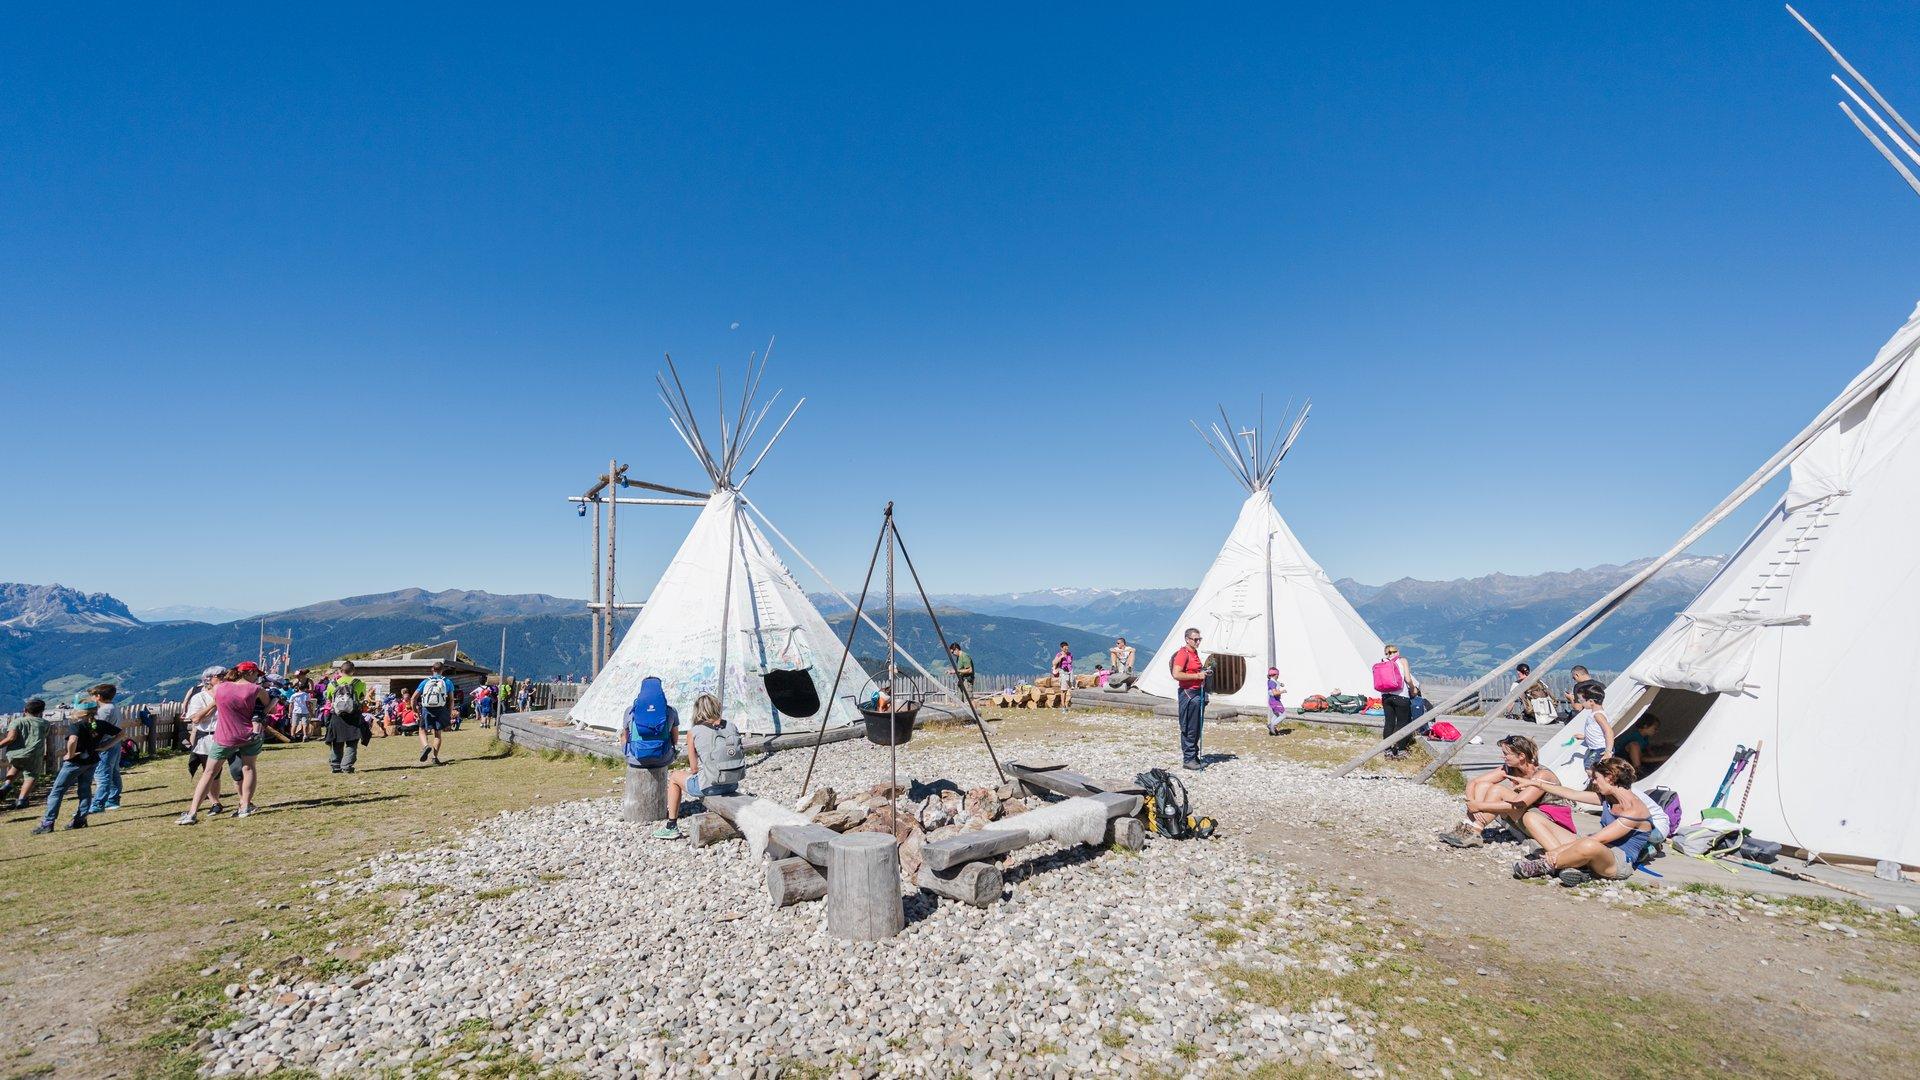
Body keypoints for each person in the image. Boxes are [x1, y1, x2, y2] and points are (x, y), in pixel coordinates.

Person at [1511, 756, 1655, 885]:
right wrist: (1537, 784)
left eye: (1596, 778)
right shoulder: (1609, 799)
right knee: (1531, 817)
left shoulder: (1635, 811)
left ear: (1610, 778)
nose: (1593, 782)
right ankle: (1570, 865)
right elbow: (1572, 794)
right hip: (1594, 846)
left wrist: (1557, 851)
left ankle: (1546, 865)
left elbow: (1600, 839)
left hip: (1617, 861)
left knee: (1589, 843)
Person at [178, 662, 270, 823]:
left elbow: (214, 701)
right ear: (250, 673)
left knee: (209, 773)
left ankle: (192, 813)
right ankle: (245, 806)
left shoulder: (220, 689)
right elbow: (270, 707)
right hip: (249, 734)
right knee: (248, 768)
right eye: (256, 674)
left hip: (225, 735)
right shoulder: (257, 689)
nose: (257, 678)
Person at [1439, 735, 1566, 847]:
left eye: (1506, 754)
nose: (1502, 756)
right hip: (1529, 816)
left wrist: (1478, 805)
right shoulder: (1511, 769)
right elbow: (1474, 783)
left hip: (1550, 823)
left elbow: (1519, 805)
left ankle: (1475, 831)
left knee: (1498, 790)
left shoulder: (1542, 775)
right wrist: (1472, 803)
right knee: (1483, 786)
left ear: (1521, 756)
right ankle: (1468, 826)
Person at [655, 693, 745, 840]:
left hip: (710, 786)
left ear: (697, 710)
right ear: (717, 707)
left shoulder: (694, 732)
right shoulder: (731, 726)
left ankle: (671, 825)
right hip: (732, 784)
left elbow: (694, 769)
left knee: (674, 777)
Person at [33, 699, 120, 834]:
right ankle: (80, 819)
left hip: (75, 762)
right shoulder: (100, 724)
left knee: (57, 791)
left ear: (80, 712)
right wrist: (105, 746)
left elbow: (73, 740)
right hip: (92, 760)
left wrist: (70, 754)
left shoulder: (77, 726)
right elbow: (121, 734)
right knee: (85, 790)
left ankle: (48, 822)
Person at [0, 699, 50, 809]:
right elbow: (44, 736)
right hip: (34, 754)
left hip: (15, 754)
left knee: (16, 766)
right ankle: (22, 800)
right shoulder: (45, 723)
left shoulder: (17, 722)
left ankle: (6, 785)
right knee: (30, 776)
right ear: (42, 711)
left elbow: (11, 738)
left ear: (24, 710)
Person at [1171, 627, 1208, 771]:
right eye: (1195, 639)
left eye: (1200, 639)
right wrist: (1197, 676)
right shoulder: (1183, 654)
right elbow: (1176, 674)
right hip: (1189, 694)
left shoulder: (1194, 652)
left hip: (1197, 692)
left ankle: (1193, 756)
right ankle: (1189, 759)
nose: (1198, 642)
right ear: (1187, 639)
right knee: (1189, 727)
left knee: (1197, 726)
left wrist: (1202, 673)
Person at [1375, 645, 1421, 759]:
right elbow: (1407, 678)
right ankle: (1400, 750)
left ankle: (1387, 750)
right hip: (1401, 696)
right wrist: (1413, 688)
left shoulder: (1382, 662)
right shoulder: (1402, 660)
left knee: (1389, 722)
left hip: (1386, 696)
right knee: (1402, 722)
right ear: (1398, 652)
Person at [83, 684, 123, 814]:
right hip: (114, 743)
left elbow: (97, 727)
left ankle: (98, 803)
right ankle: (113, 799)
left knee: (102, 774)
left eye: (93, 696)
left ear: (98, 696)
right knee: (113, 771)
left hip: (104, 744)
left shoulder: (103, 710)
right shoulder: (114, 707)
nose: (92, 698)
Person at [324, 662, 369, 774]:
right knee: (352, 741)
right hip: (353, 716)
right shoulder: (359, 683)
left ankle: (335, 765)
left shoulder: (332, 684)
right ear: (353, 671)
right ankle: (347, 766)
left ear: (340, 670)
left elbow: (329, 698)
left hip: (337, 716)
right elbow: (361, 697)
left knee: (337, 741)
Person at [409, 661, 455, 765]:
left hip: (427, 709)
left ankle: (426, 746)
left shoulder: (425, 681)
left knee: (422, 729)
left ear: (432, 669)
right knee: (437, 734)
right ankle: (434, 757)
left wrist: (414, 710)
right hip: (441, 708)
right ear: (442, 670)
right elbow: (451, 699)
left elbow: (413, 698)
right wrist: (450, 711)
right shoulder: (447, 682)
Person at [1570, 686, 1613, 776]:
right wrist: (1584, 737)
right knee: (1593, 769)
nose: (1580, 703)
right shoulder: (1595, 714)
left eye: (1581, 701)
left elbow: (1608, 732)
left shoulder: (1598, 715)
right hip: (1595, 749)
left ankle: (1600, 784)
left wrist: (1608, 751)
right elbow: (1597, 731)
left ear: (1591, 701)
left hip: (1600, 749)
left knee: (1590, 769)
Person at [1051, 642, 1073, 708]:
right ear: (1062, 648)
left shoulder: (1070, 654)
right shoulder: (1059, 654)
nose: (1067, 648)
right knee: (1063, 690)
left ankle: (1070, 703)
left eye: (1067, 647)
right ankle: (1063, 705)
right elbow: (1053, 663)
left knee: (1073, 687)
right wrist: (1061, 657)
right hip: (1063, 672)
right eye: (1065, 647)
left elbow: (1070, 662)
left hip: (1070, 672)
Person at [1266, 669, 1287, 735]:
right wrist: (1282, 691)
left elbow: (1276, 683)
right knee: (1283, 715)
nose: (1278, 676)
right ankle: (1272, 725)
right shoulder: (1272, 683)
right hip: (1275, 701)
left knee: (1277, 714)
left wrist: (1281, 684)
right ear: (1276, 675)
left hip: (1273, 701)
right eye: (1278, 675)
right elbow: (1275, 693)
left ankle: (1270, 726)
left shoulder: (1271, 680)